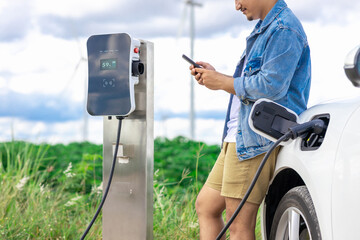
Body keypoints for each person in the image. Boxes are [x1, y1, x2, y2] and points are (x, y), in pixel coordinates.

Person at [189, 0, 311, 239]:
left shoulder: (284, 29)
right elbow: (252, 84)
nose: (236, 6)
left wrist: (222, 82)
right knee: (206, 206)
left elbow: (271, 86)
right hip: (238, 136)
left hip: (255, 141)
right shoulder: (265, 28)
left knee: (239, 226)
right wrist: (217, 76)